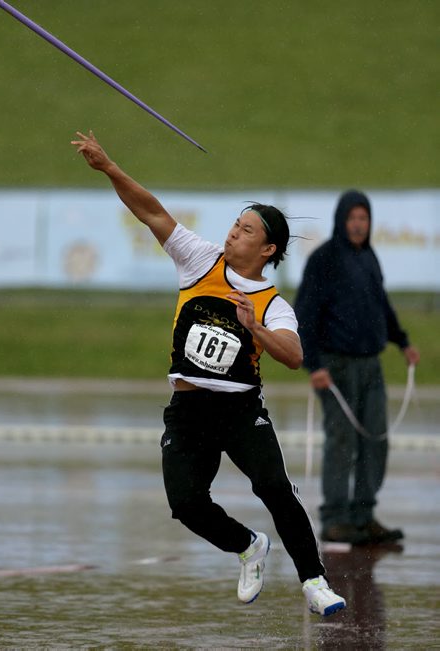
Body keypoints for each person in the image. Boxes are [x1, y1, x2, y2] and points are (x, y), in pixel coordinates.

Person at [71, 130, 346, 616]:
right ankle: (248, 546)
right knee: (185, 503)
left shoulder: (273, 304)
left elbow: (294, 356)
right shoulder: (200, 260)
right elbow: (152, 212)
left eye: (247, 230)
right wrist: (109, 168)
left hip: (240, 410)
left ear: (267, 250)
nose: (234, 233)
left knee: (276, 489)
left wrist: (254, 327)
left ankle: (314, 581)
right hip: (187, 408)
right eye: (235, 224)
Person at [294, 190, 420, 545]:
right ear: (341, 220)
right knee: (341, 441)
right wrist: (313, 364)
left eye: (364, 218)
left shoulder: (369, 258)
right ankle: (335, 518)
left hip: (371, 365)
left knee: (375, 439)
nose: (358, 225)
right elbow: (304, 314)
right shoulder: (324, 259)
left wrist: (402, 340)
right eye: (353, 218)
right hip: (334, 366)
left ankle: (363, 517)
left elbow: (381, 304)